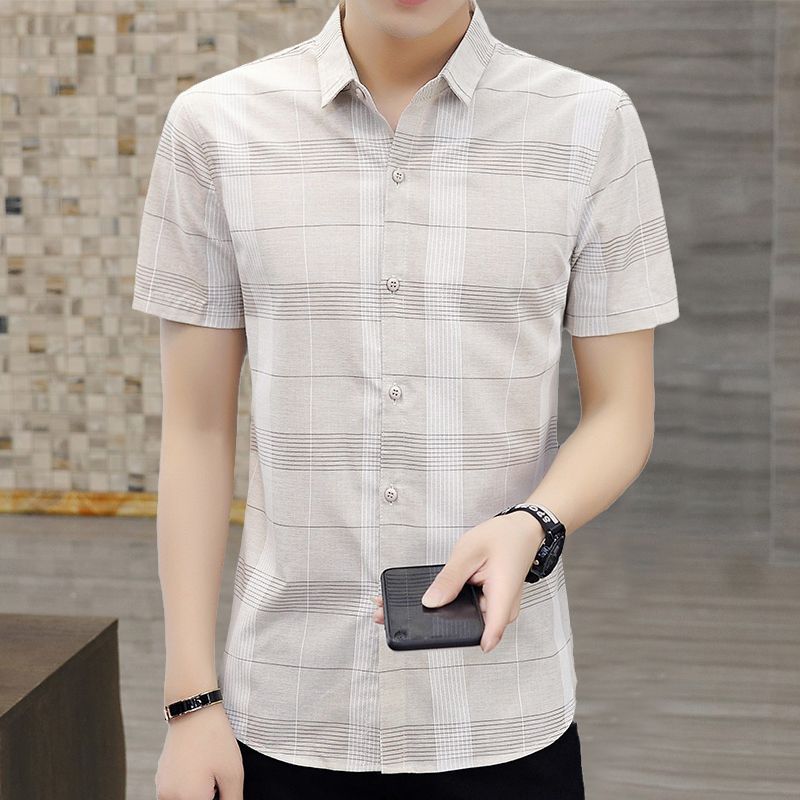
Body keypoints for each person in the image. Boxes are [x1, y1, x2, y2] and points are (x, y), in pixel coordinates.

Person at [133, 0, 680, 797]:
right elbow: (195, 429)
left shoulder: (591, 125)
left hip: (502, 712)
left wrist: (535, 522)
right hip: (287, 709)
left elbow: (622, 412)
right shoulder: (213, 127)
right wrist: (191, 703)